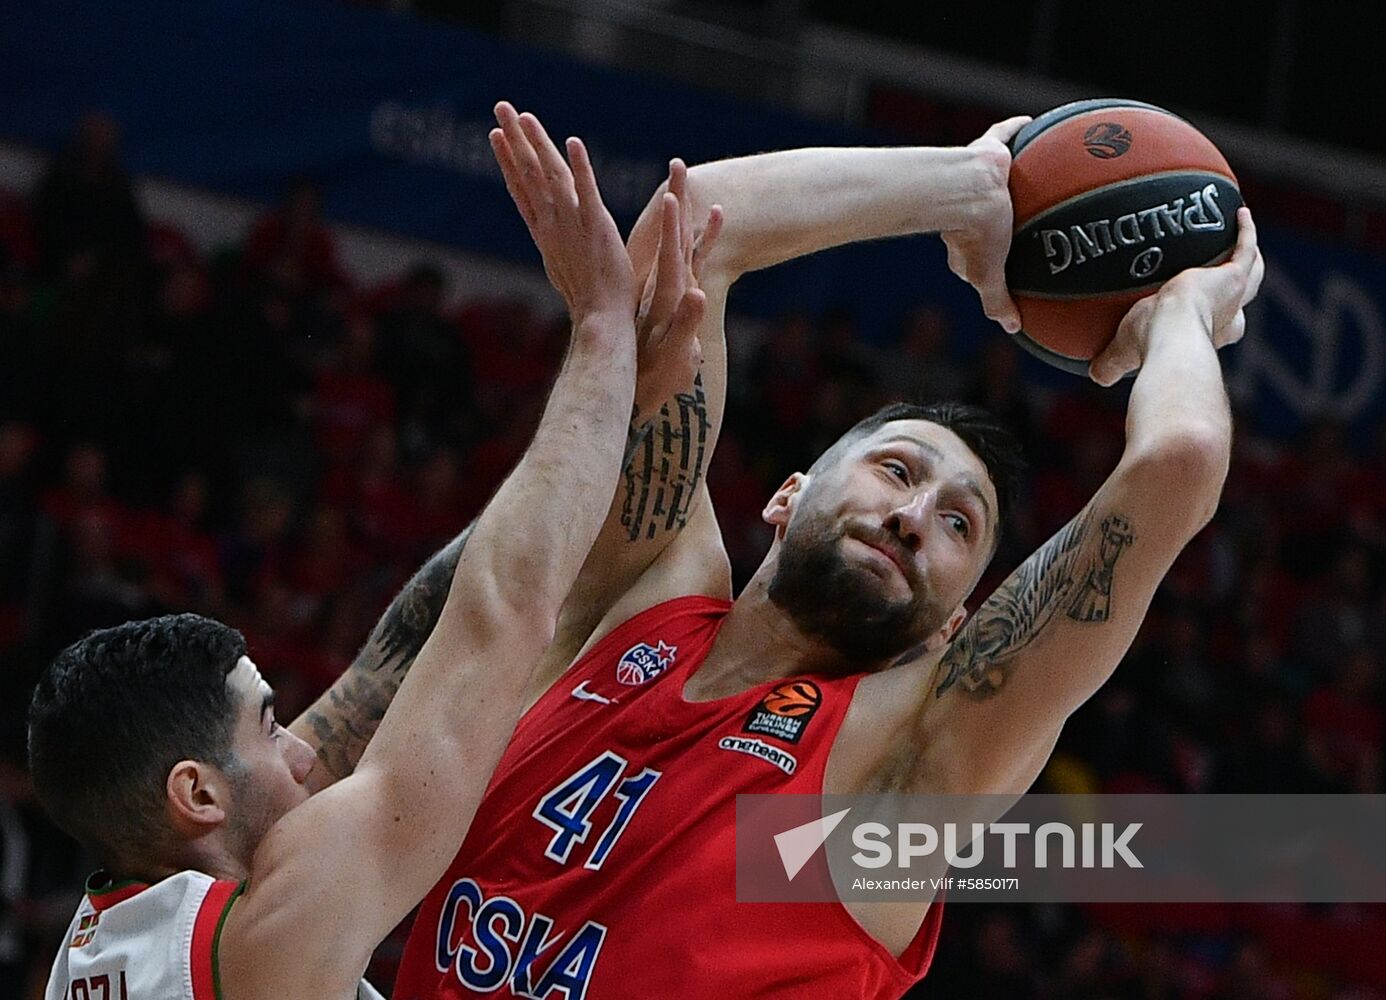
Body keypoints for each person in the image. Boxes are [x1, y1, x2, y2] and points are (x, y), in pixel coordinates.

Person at [393, 105, 1263, 999]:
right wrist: (969, 188)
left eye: (960, 524)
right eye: (896, 470)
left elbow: (1176, 463)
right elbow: (692, 227)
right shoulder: (647, 592)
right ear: (788, 493)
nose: (916, 514)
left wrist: (1181, 318)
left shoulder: (900, 769)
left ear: (955, 622)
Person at [29, 121, 716, 1000]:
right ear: (196, 793)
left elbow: (383, 668)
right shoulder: (263, 941)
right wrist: (601, 330)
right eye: (271, 725)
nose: (307, 752)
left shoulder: (111, 939)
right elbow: (500, 617)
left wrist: (602, 430)